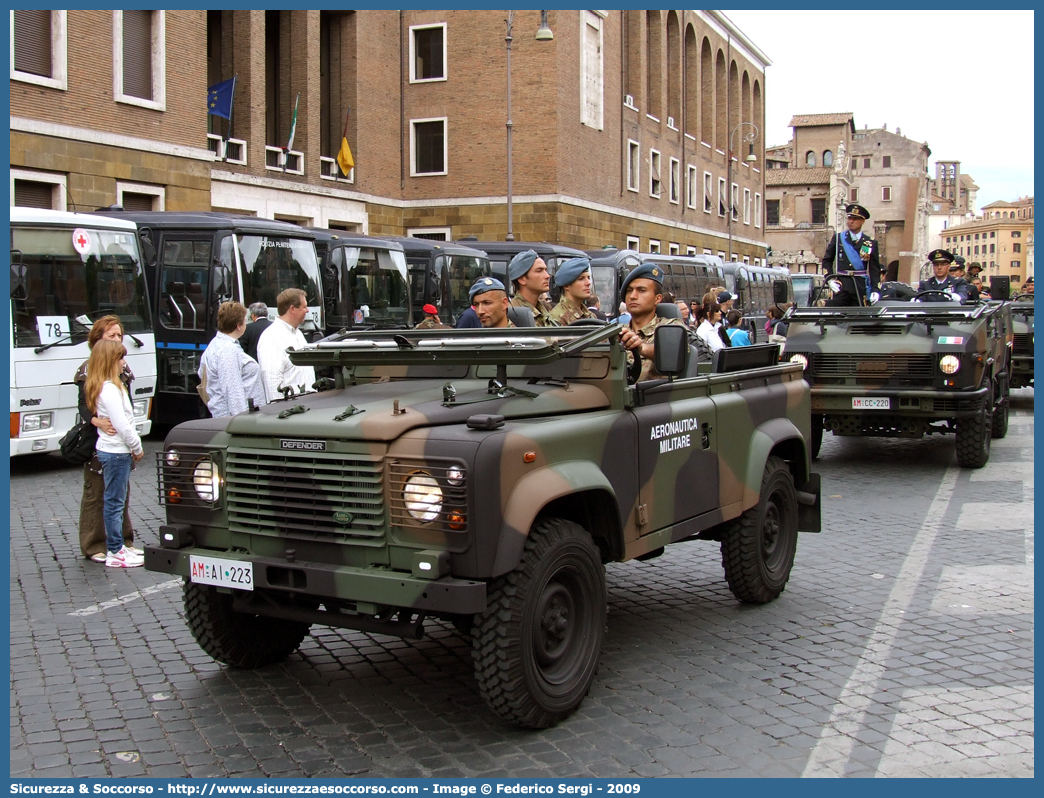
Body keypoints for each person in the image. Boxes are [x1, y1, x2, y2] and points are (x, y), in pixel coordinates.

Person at [74, 316, 139, 563]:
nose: (117, 339)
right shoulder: (88, 369)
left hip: (119, 439)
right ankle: (93, 544)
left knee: (119, 492)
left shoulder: (121, 367)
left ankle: (122, 540)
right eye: (111, 335)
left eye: (119, 335)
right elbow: (83, 405)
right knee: (96, 493)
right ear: (98, 338)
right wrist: (96, 421)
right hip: (99, 441)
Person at [84, 340, 144, 568]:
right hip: (117, 451)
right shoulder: (109, 388)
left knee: (114, 501)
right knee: (115, 502)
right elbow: (122, 424)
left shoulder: (107, 385)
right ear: (110, 361)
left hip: (113, 450)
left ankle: (117, 547)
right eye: (120, 359)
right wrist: (136, 446)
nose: (123, 363)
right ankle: (116, 550)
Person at [617, 263, 684, 382]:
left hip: (655, 397)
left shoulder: (670, 327)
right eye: (629, 290)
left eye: (641, 290)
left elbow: (671, 353)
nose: (633, 296)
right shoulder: (617, 332)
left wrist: (641, 348)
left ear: (657, 298)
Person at [199, 302, 267, 417]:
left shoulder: (216, 344)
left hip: (230, 417)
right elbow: (233, 392)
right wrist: (244, 423)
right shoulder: (227, 351)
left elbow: (202, 374)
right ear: (238, 325)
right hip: (240, 421)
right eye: (245, 320)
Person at [256, 288, 317, 402]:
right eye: (304, 307)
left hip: (307, 407)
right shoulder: (271, 337)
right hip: (290, 412)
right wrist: (281, 413)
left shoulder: (298, 333)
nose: (307, 310)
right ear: (292, 309)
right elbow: (272, 382)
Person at [823, 203, 881, 305]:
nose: (851, 221)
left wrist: (875, 289)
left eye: (855, 219)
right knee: (836, 315)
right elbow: (827, 260)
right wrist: (830, 279)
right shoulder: (839, 238)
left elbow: (874, 269)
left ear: (862, 221)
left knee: (859, 317)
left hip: (860, 286)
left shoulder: (870, 242)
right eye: (849, 218)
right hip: (842, 285)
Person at [507, 250, 558, 327]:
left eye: (545, 270)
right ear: (522, 279)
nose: (547, 276)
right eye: (539, 271)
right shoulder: (514, 315)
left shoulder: (545, 311)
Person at [548, 258, 596, 325]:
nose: (588, 283)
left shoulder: (590, 316)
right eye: (581, 279)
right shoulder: (557, 318)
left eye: (588, 278)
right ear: (566, 286)